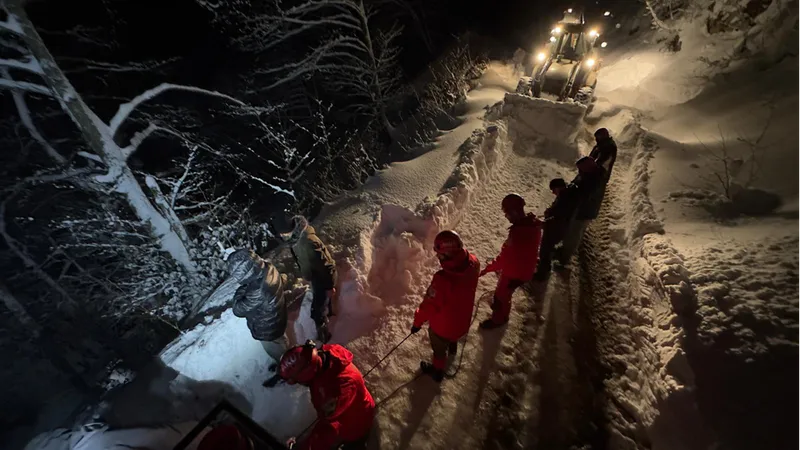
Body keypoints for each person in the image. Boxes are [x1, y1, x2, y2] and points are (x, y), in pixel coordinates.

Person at [411, 230, 480, 382]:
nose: (438, 257)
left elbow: (428, 307)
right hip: (463, 323)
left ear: (448, 254)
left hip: (443, 329)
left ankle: (437, 371)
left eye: (440, 255)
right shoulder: (474, 262)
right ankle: (453, 348)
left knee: (439, 349)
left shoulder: (442, 280)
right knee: (453, 334)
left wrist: (417, 323)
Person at [281, 341, 375, 450]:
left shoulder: (340, 389)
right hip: (352, 406)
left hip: (355, 423)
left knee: (354, 441)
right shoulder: (324, 359)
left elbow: (328, 429)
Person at [206, 249, 288, 362]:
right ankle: (289, 356)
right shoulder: (268, 268)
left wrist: (240, 292)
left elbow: (238, 310)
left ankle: (288, 366)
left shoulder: (256, 290)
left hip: (268, 329)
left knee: (278, 352)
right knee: (281, 341)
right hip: (277, 317)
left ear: (244, 273)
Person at [479, 194, 543, 329]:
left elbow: (504, 259)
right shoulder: (533, 225)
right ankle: (502, 313)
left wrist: (487, 269)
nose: (506, 217)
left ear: (514, 212)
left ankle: (499, 320)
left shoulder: (518, 233)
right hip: (526, 269)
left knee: (500, 297)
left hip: (514, 273)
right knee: (506, 294)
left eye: (507, 213)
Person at [282, 216, 338, 343]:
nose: (283, 237)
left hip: (322, 278)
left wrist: (330, 286)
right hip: (316, 275)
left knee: (316, 311)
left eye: (285, 234)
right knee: (322, 301)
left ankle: (324, 336)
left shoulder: (308, 242)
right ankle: (329, 312)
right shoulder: (296, 239)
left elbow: (326, 266)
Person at [555, 157, 607, 269]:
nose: (579, 172)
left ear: (588, 169)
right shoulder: (591, 175)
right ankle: (564, 251)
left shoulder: (594, 180)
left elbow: (582, 194)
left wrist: (570, 192)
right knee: (571, 231)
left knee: (574, 233)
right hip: (582, 209)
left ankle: (564, 259)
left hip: (584, 211)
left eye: (581, 170)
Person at [534, 178, 580, 280]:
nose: (553, 192)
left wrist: (545, 222)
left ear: (559, 187)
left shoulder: (565, 199)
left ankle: (542, 274)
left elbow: (559, 216)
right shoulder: (567, 194)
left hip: (556, 228)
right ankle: (544, 264)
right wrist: (550, 211)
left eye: (553, 190)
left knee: (545, 250)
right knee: (548, 248)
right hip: (559, 227)